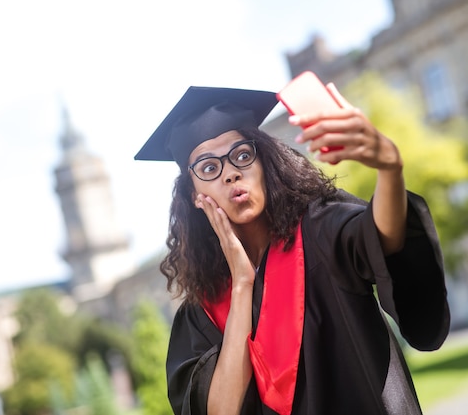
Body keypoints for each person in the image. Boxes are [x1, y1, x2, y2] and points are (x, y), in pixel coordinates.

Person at [134, 82, 450, 415]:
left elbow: (381, 238)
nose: (231, 174)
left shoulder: (319, 232)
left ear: (264, 164)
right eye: (209, 168)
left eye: (242, 155)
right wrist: (242, 284)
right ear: (194, 196)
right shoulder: (202, 312)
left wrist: (389, 169)